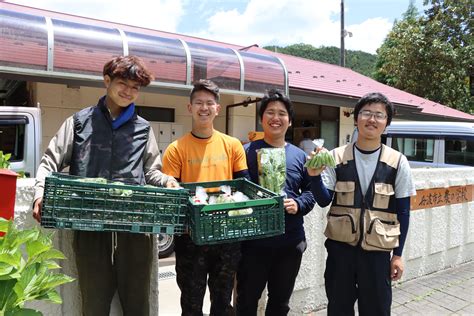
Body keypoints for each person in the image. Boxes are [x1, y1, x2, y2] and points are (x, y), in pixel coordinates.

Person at [32, 55, 179, 316]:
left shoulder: (143, 129)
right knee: (94, 303)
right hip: (89, 223)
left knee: (137, 303)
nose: (129, 91)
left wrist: (167, 180)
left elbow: (151, 172)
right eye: (123, 83)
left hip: (135, 226)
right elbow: (50, 161)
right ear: (107, 80)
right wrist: (40, 191)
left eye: (136, 87)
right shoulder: (79, 123)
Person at [308, 92, 416, 316]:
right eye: (366, 113)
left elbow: (404, 212)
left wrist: (397, 255)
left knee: (376, 310)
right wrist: (314, 176)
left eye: (379, 115)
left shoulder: (398, 162)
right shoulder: (335, 157)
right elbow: (323, 200)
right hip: (340, 252)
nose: (372, 119)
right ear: (356, 118)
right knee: (338, 309)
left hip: (377, 254)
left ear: (386, 124)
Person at [161, 79, 249, 315]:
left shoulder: (232, 146)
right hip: (191, 237)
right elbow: (172, 196)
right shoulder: (176, 149)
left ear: (217, 109)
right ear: (189, 108)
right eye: (198, 102)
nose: (204, 107)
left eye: (210, 103)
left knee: (222, 302)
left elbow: (244, 188)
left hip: (226, 235)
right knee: (191, 304)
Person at [236, 89, 316, 316]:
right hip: (252, 244)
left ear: (289, 121)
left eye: (282, 113)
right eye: (270, 112)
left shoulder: (300, 156)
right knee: (246, 301)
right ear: (261, 119)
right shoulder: (245, 152)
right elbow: (235, 192)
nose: (275, 118)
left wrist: (298, 204)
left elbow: (311, 193)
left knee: (280, 303)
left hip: (289, 243)